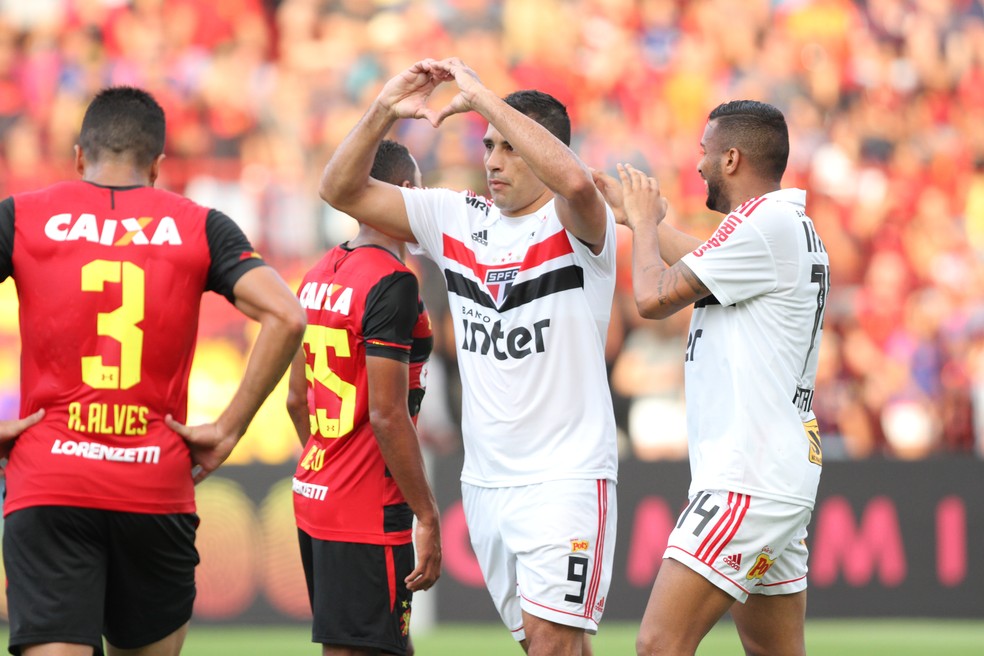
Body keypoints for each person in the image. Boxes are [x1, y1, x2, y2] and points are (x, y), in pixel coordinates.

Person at [319, 58, 619, 656]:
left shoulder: (577, 226)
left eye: (510, 147)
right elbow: (339, 190)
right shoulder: (456, 219)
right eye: (488, 146)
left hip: (566, 478)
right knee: (551, 647)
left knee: (552, 643)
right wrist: (383, 109)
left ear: (546, 152)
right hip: (485, 483)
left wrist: (482, 98)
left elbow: (579, 185)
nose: (493, 161)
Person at [0, 86, 306, 656]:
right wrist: (229, 429)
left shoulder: (21, 216)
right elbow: (287, 315)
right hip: (154, 485)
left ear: (78, 158)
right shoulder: (201, 224)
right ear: (159, 166)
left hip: (49, 480)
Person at [596, 100, 829, 656]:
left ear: (731, 158)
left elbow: (652, 298)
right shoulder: (783, 225)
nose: (697, 164)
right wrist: (639, 219)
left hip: (747, 478)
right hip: (774, 472)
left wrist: (645, 224)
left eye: (704, 151)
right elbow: (702, 260)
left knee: (659, 644)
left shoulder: (763, 224)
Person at [285, 139, 441, 656]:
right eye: (420, 188)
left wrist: (331, 463)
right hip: (369, 509)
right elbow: (387, 415)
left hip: (316, 493)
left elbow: (296, 400)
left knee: (383, 645)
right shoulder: (393, 282)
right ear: (403, 191)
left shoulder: (314, 276)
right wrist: (427, 515)